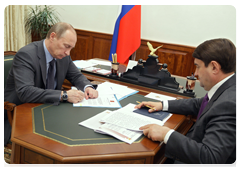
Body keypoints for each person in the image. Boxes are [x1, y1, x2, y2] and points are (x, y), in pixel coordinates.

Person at [135, 38, 238, 167]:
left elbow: (210, 158)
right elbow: (200, 103)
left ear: (214, 67)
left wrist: (166, 134)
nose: (195, 74)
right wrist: (163, 105)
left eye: (198, 67)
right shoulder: (229, 85)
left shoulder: (229, 104)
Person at [4, 22, 98, 145]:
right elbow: (25, 92)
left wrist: (88, 86)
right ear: (53, 37)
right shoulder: (26, 55)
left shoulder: (63, 56)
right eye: (66, 46)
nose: (68, 53)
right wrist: (63, 95)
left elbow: (75, 75)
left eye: (71, 48)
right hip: (21, 114)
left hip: (50, 110)